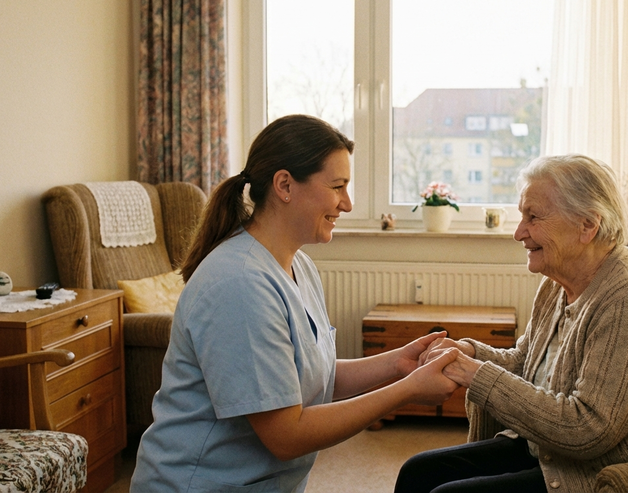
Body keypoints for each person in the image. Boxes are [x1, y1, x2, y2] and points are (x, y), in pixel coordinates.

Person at [131, 114, 460, 492]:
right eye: (337, 186)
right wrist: (406, 391)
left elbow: (306, 378)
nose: (347, 204)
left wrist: (397, 363)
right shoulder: (239, 284)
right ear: (285, 185)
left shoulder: (297, 265)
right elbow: (286, 437)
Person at [395, 154, 628, 493]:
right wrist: (468, 352)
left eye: (533, 217)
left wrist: (475, 375)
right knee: (418, 472)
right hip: (549, 450)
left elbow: (587, 429)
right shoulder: (558, 282)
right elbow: (526, 362)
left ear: (587, 225)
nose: (518, 233)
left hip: (607, 468)